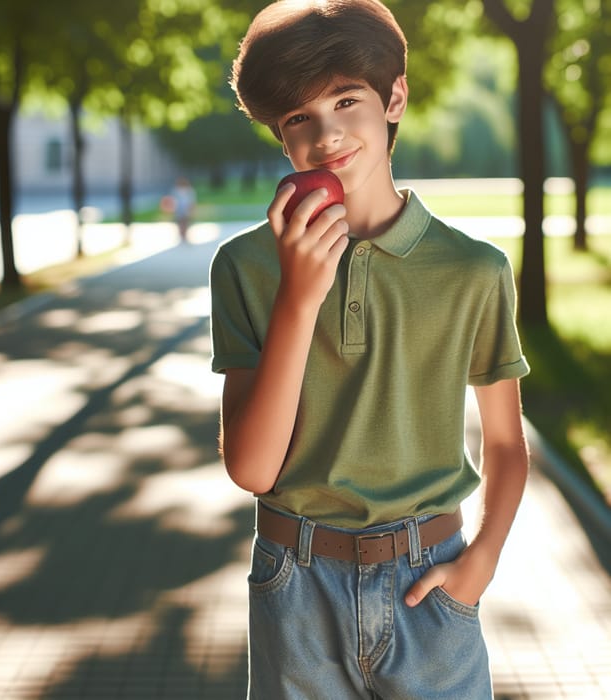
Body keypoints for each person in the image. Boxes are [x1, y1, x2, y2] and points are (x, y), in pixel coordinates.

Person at [209, 1, 530, 698]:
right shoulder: (246, 268)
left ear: (395, 98)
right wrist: (299, 296)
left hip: (431, 586)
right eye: (298, 117)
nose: (326, 135)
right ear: (279, 134)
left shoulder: (473, 270)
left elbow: (506, 443)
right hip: (294, 584)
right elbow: (254, 468)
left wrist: (482, 563)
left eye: (346, 100)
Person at [171, 176, 196, 242]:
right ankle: (181, 234)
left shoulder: (189, 191)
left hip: (186, 209)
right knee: (180, 222)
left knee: (185, 222)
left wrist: (191, 209)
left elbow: (192, 201)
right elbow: (173, 200)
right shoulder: (176, 191)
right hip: (179, 210)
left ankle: (184, 234)